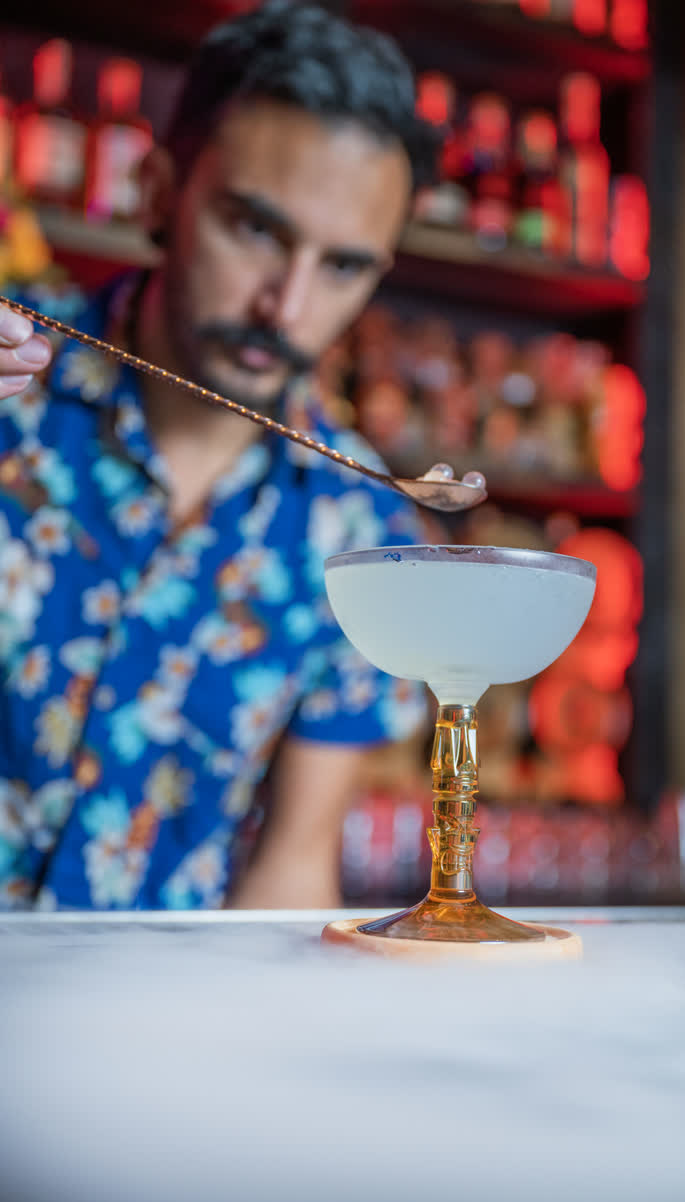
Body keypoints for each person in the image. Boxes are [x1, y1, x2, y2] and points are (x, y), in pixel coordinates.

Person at [0, 1, 438, 910]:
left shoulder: (361, 530)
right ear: (159, 191)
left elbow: (292, 868)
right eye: (256, 230)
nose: (288, 307)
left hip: (162, 998)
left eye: (344, 265)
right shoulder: (13, 379)